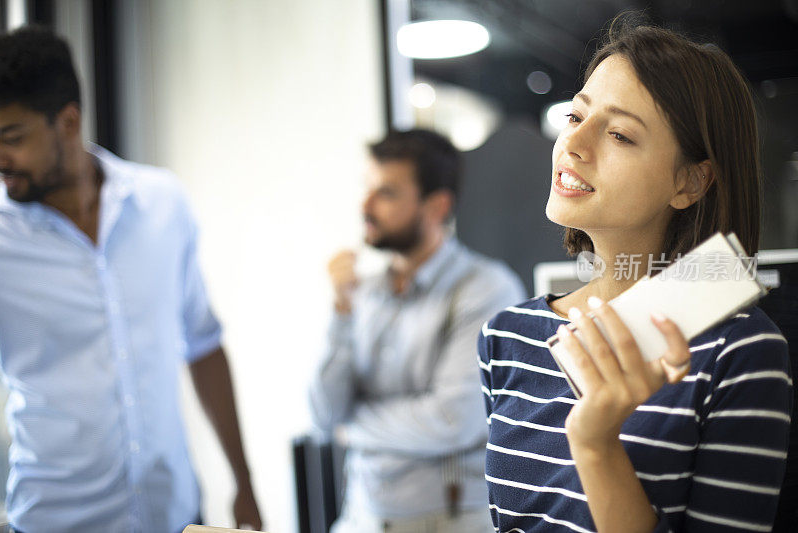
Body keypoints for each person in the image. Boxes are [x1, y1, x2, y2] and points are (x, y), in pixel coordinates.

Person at [479, 18, 792, 533]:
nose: (573, 143)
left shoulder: (741, 350)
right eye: (575, 114)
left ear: (691, 181)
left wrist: (597, 446)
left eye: (620, 134)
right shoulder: (505, 335)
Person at [0, 27, 262, 532]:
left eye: (12, 138)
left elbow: (203, 343)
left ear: (68, 122)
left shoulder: (162, 203)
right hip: (58, 523)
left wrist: (243, 483)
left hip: (176, 516)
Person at [309, 129, 526, 533]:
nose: (365, 205)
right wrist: (340, 309)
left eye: (386, 193)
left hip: (446, 522)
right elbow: (323, 414)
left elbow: (452, 419)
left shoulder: (486, 288)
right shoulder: (364, 292)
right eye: (367, 189)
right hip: (360, 517)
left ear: (437, 205)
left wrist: (350, 425)